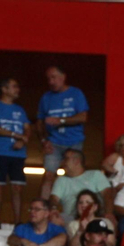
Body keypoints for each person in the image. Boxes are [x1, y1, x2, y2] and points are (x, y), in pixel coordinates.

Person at [36, 67, 89, 202]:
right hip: (53, 142)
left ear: (63, 77)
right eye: (48, 79)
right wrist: (43, 140)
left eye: (54, 77)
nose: (51, 81)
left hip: (74, 142)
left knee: (74, 176)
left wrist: (61, 121)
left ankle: (75, 209)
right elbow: (39, 122)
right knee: (48, 175)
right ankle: (43, 208)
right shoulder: (46, 97)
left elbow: (83, 117)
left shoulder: (76, 93)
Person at [0, 77, 30, 223]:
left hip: (17, 154)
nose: (17, 90)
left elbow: (27, 129)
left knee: (17, 187)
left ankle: (17, 220)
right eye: (14, 86)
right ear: (4, 89)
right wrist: (15, 135)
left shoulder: (20, 110)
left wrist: (23, 141)